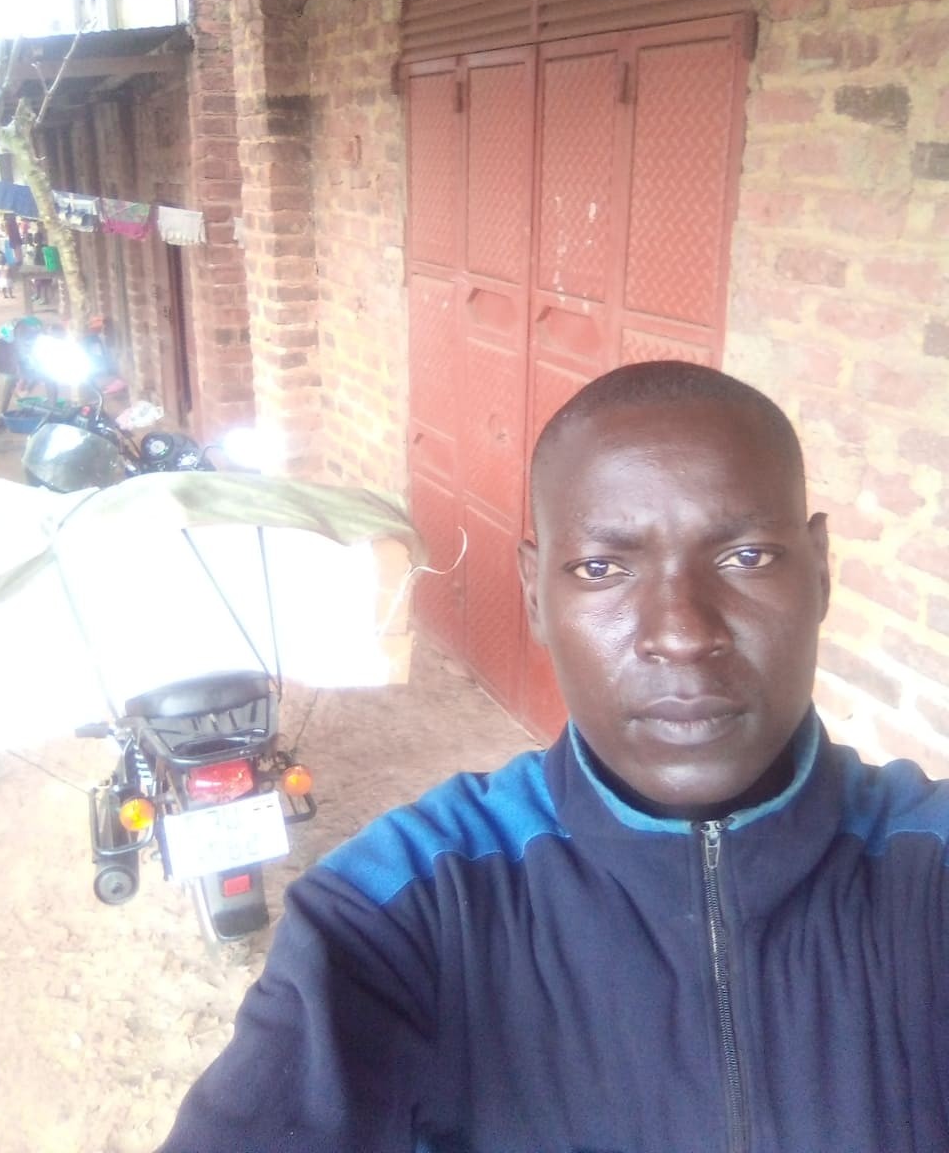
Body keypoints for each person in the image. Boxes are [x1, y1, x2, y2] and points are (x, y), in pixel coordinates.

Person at [158, 360, 948, 1153]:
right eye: (602, 568)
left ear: (820, 571)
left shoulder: (929, 869)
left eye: (747, 557)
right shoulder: (401, 908)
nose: (681, 633)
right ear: (536, 595)